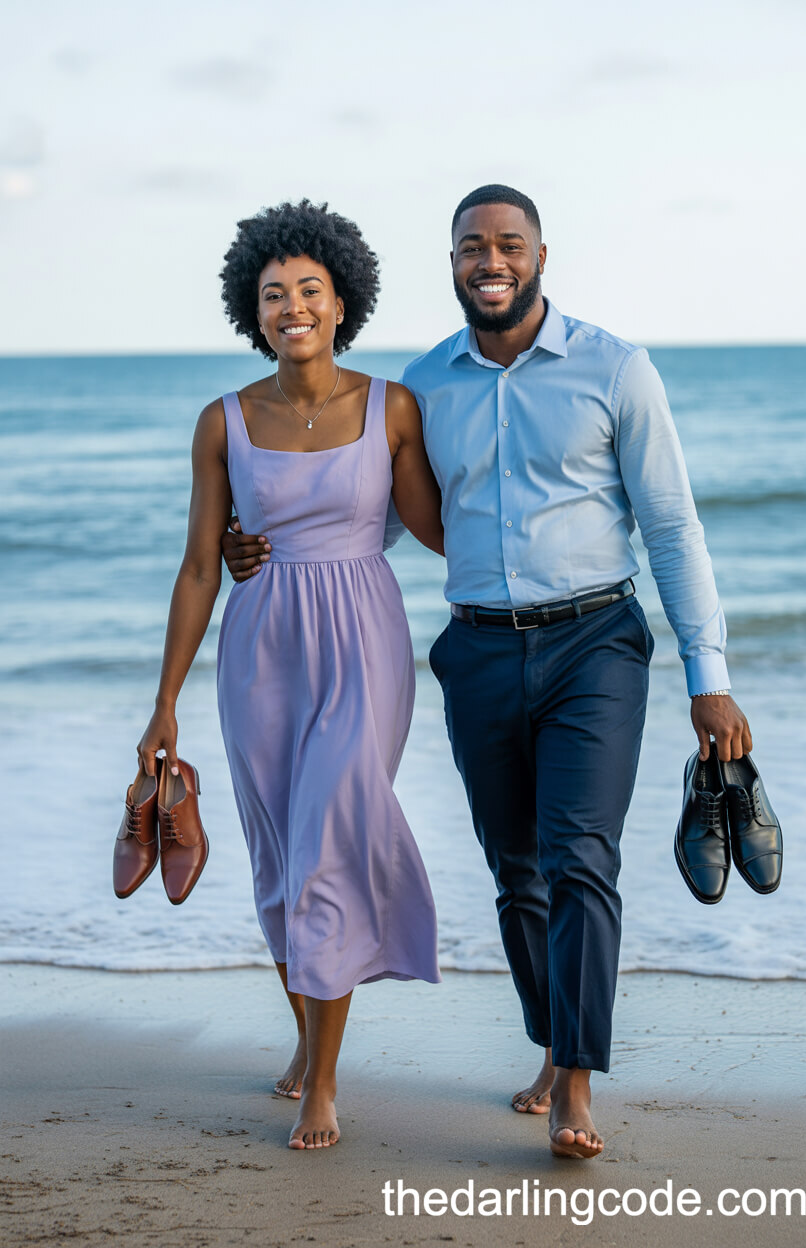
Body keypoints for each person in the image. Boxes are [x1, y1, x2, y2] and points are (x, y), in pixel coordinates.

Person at [223, 185, 754, 1161]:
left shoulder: (614, 369)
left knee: (578, 859)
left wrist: (706, 676)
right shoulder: (425, 388)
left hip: (596, 638)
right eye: (472, 246)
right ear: (453, 263)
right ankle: (553, 1042)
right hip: (476, 650)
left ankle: (575, 1089)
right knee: (517, 873)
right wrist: (253, 542)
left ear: (542, 254)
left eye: (509, 243)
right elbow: (366, 513)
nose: (491, 260)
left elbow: (672, 527)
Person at [138, 199, 444, 1151]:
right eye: (274, 295)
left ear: (342, 302)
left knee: (330, 834)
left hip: (364, 638)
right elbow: (199, 566)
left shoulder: (393, 406)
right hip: (261, 647)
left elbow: (438, 529)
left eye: (309, 289)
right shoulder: (222, 422)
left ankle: (324, 1085)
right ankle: (308, 1042)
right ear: (253, 311)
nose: (293, 306)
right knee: (280, 854)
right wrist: (164, 705)